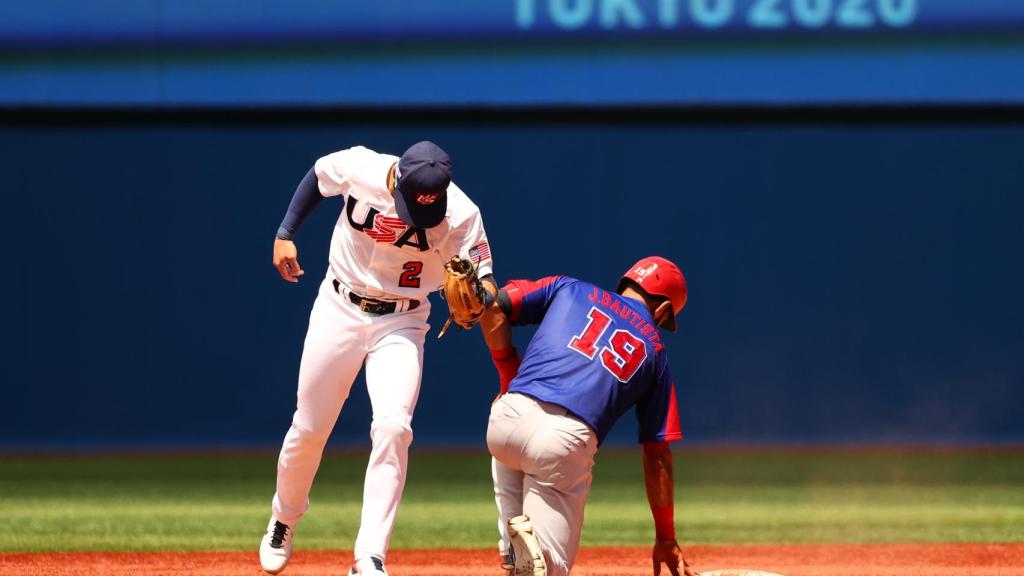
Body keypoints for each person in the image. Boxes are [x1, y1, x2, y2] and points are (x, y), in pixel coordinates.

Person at [259, 141, 498, 576]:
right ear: (398, 180)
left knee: (393, 427)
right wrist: (285, 232)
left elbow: (484, 278)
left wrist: (481, 298)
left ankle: (369, 556)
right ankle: (284, 518)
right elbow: (319, 174)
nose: (424, 212)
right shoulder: (362, 166)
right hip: (339, 307)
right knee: (310, 428)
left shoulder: (462, 213)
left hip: (403, 322)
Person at [478, 256, 697, 576]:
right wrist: (666, 537)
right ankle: (537, 555)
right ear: (662, 311)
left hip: (507, 418)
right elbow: (657, 455)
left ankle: (515, 553)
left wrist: (507, 374)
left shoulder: (568, 287)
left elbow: (492, 304)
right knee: (551, 567)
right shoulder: (655, 351)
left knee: (520, 532)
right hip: (563, 441)